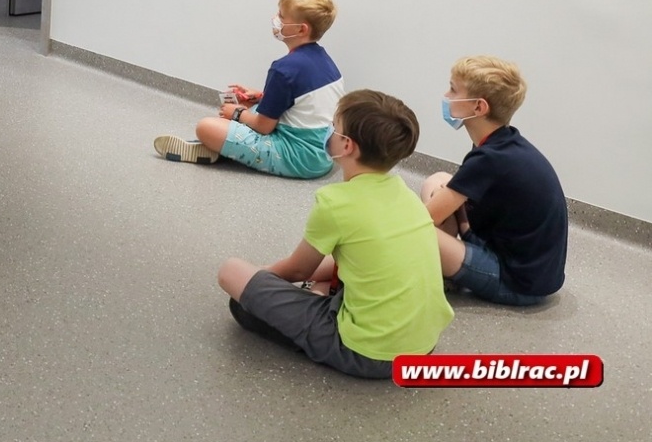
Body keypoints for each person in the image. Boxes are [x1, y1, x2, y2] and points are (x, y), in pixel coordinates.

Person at [216, 89, 453, 379]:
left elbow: (297, 269)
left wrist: (258, 278)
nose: (329, 131)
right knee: (315, 281)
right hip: (422, 347)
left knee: (233, 278)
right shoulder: (404, 193)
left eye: (334, 127)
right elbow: (352, 263)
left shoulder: (334, 202)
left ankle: (319, 322)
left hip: (368, 355)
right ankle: (319, 301)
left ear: (347, 145)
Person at [419, 56, 568, 306]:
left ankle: (441, 269)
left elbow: (422, 222)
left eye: (453, 89)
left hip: (517, 283)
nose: (446, 95)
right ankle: (444, 267)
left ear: (478, 107)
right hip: (533, 272)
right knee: (437, 180)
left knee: (418, 233)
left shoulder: (488, 159)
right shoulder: (504, 144)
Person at [153, 0, 343, 179]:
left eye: (282, 16)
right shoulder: (325, 61)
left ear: (301, 29)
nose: (275, 19)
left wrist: (235, 113)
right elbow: (304, 102)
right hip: (323, 153)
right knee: (253, 107)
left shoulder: (284, 69)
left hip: (299, 158)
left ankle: (216, 146)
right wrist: (262, 97)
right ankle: (220, 147)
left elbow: (263, 127)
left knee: (207, 127)